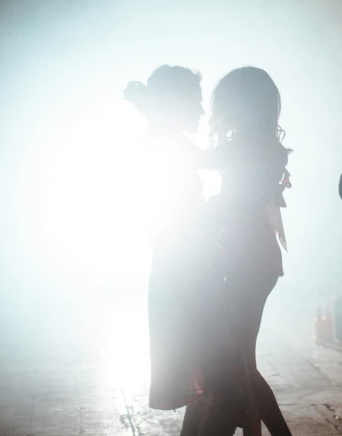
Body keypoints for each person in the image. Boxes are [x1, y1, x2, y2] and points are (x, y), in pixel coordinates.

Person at [183, 66, 293, 436]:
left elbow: (204, 165)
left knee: (238, 361)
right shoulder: (266, 147)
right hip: (257, 259)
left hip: (244, 260)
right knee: (241, 358)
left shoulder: (246, 148)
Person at [124, 65, 211, 413]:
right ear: (175, 104)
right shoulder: (164, 143)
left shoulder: (161, 139)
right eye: (196, 102)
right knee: (216, 370)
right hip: (182, 272)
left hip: (174, 270)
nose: (203, 111)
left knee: (207, 376)